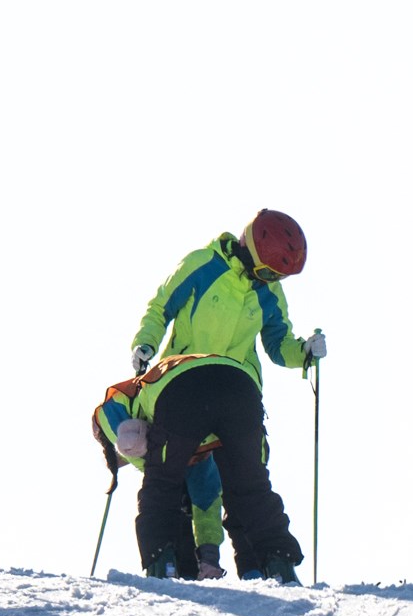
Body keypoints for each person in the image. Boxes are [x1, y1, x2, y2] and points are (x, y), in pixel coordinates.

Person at [122, 209, 327, 582]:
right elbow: (161, 306)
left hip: (235, 387)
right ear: (251, 246)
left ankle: (275, 563)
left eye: (277, 276)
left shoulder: (267, 292)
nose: (269, 280)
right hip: (182, 378)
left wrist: (305, 352)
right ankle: (166, 559)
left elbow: (278, 343)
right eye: (268, 272)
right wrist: (146, 344)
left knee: (246, 480)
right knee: (172, 477)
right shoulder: (203, 264)